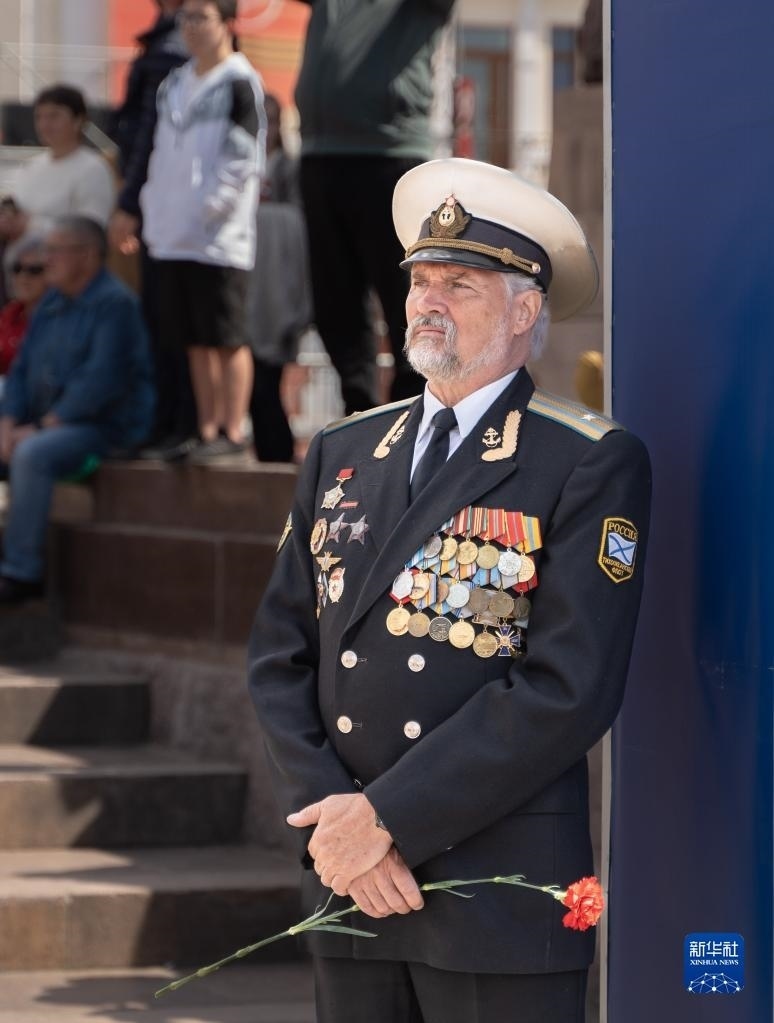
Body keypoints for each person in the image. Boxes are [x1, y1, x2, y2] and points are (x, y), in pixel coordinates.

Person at [248, 158, 652, 1022]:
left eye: (459, 285)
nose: (427, 301)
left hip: (492, 895)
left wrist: (385, 819)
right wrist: (335, 831)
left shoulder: (584, 460)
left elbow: (567, 687)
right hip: (350, 885)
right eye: (420, 281)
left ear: (524, 311)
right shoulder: (343, 450)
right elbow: (279, 657)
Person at [294, 0, 457, 415]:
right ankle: (359, 412)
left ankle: (413, 411)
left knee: (408, 292)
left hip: (391, 154)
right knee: (334, 301)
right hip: (320, 154)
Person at [0, 216, 154, 604]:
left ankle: (22, 574)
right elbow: (20, 372)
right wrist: (7, 422)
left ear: (87, 256)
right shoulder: (50, 302)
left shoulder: (115, 304)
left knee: (32, 454)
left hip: (103, 429)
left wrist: (39, 429)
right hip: (43, 422)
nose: (46, 260)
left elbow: (100, 383)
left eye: (55, 251)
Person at [140, 0, 266, 464]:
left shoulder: (239, 81)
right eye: (186, 18)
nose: (191, 27)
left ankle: (233, 430)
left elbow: (242, 157)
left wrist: (210, 209)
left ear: (227, 23)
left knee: (226, 336)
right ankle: (205, 427)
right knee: (193, 338)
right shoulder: (174, 81)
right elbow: (158, 150)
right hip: (173, 234)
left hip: (219, 239)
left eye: (201, 18)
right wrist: (155, 208)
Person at [107, 0, 195, 452]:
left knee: (173, 327)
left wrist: (129, 201)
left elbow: (149, 133)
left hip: (168, 213)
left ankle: (176, 426)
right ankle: (166, 425)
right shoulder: (164, 36)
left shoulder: (177, 45)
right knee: (161, 323)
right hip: (159, 207)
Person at [247, 93, 312, 463]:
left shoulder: (290, 169)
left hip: (276, 288)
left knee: (268, 383)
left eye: (270, 120)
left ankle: (278, 457)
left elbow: (299, 224)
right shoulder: (238, 165)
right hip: (245, 284)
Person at [0, 85, 115, 284]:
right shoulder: (32, 166)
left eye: (54, 116)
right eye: (39, 117)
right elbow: (17, 208)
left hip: (67, 279)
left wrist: (30, 225)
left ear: (78, 120)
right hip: (22, 275)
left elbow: (91, 232)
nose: (45, 124)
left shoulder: (93, 169)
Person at [0, 237, 48, 391]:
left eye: (34, 270)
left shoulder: (59, 317)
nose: (23, 278)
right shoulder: (9, 313)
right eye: (17, 269)